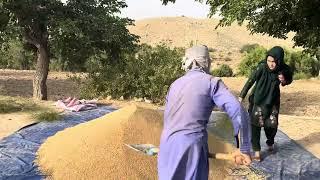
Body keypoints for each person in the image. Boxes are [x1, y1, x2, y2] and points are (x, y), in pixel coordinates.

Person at [157, 45, 252, 180]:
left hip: (167, 146)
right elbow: (238, 111)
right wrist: (244, 148)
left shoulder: (175, 84)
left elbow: (168, 119)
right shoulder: (211, 83)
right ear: (206, 62)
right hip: (192, 147)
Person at [238, 46, 293, 161]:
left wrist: (283, 79)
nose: (271, 64)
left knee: (271, 126)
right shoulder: (262, 67)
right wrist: (241, 96)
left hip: (272, 102)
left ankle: (270, 142)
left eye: (274, 62)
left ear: (279, 60)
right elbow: (250, 80)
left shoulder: (282, 69)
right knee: (255, 126)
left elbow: (289, 78)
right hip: (258, 101)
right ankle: (257, 151)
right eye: (269, 61)